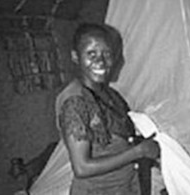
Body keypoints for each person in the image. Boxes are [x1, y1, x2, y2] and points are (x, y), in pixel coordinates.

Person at [55, 23, 160, 195]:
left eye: (107, 54)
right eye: (91, 54)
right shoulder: (75, 102)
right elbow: (82, 167)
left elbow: (119, 140)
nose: (101, 61)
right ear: (75, 57)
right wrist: (139, 151)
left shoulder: (110, 95)